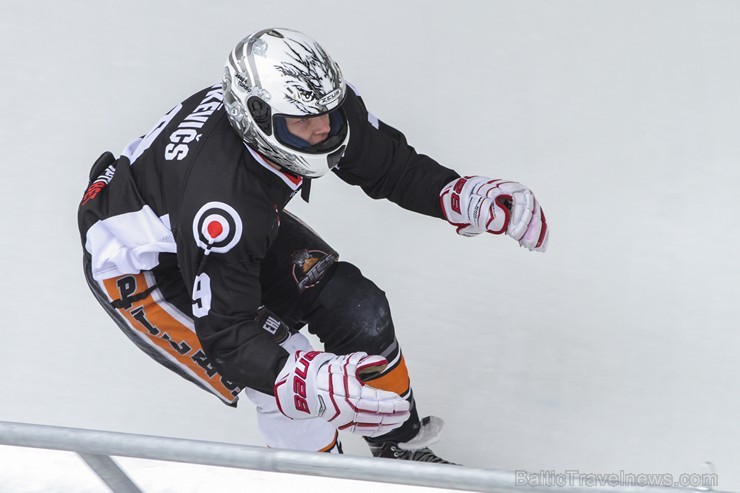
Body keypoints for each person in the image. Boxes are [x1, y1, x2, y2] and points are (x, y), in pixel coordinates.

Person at [77, 28, 548, 463]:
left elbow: (385, 163)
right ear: (256, 118)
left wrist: (455, 193)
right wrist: (298, 378)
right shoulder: (226, 209)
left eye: (330, 111)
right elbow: (228, 335)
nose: (324, 128)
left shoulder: (305, 106)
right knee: (291, 392)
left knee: (357, 307)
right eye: (305, 123)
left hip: (202, 220)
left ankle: (398, 448)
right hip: (145, 271)